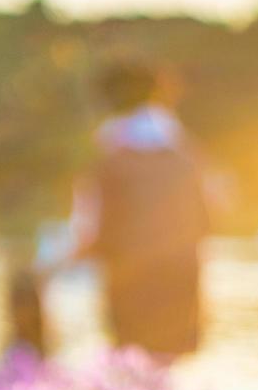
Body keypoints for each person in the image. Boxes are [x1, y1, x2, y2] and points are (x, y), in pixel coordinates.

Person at [52, 61, 211, 361]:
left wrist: (51, 270)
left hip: (132, 284)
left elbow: (92, 234)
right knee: (166, 369)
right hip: (182, 278)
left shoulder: (109, 156)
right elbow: (207, 221)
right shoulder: (186, 153)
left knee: (133, 367)